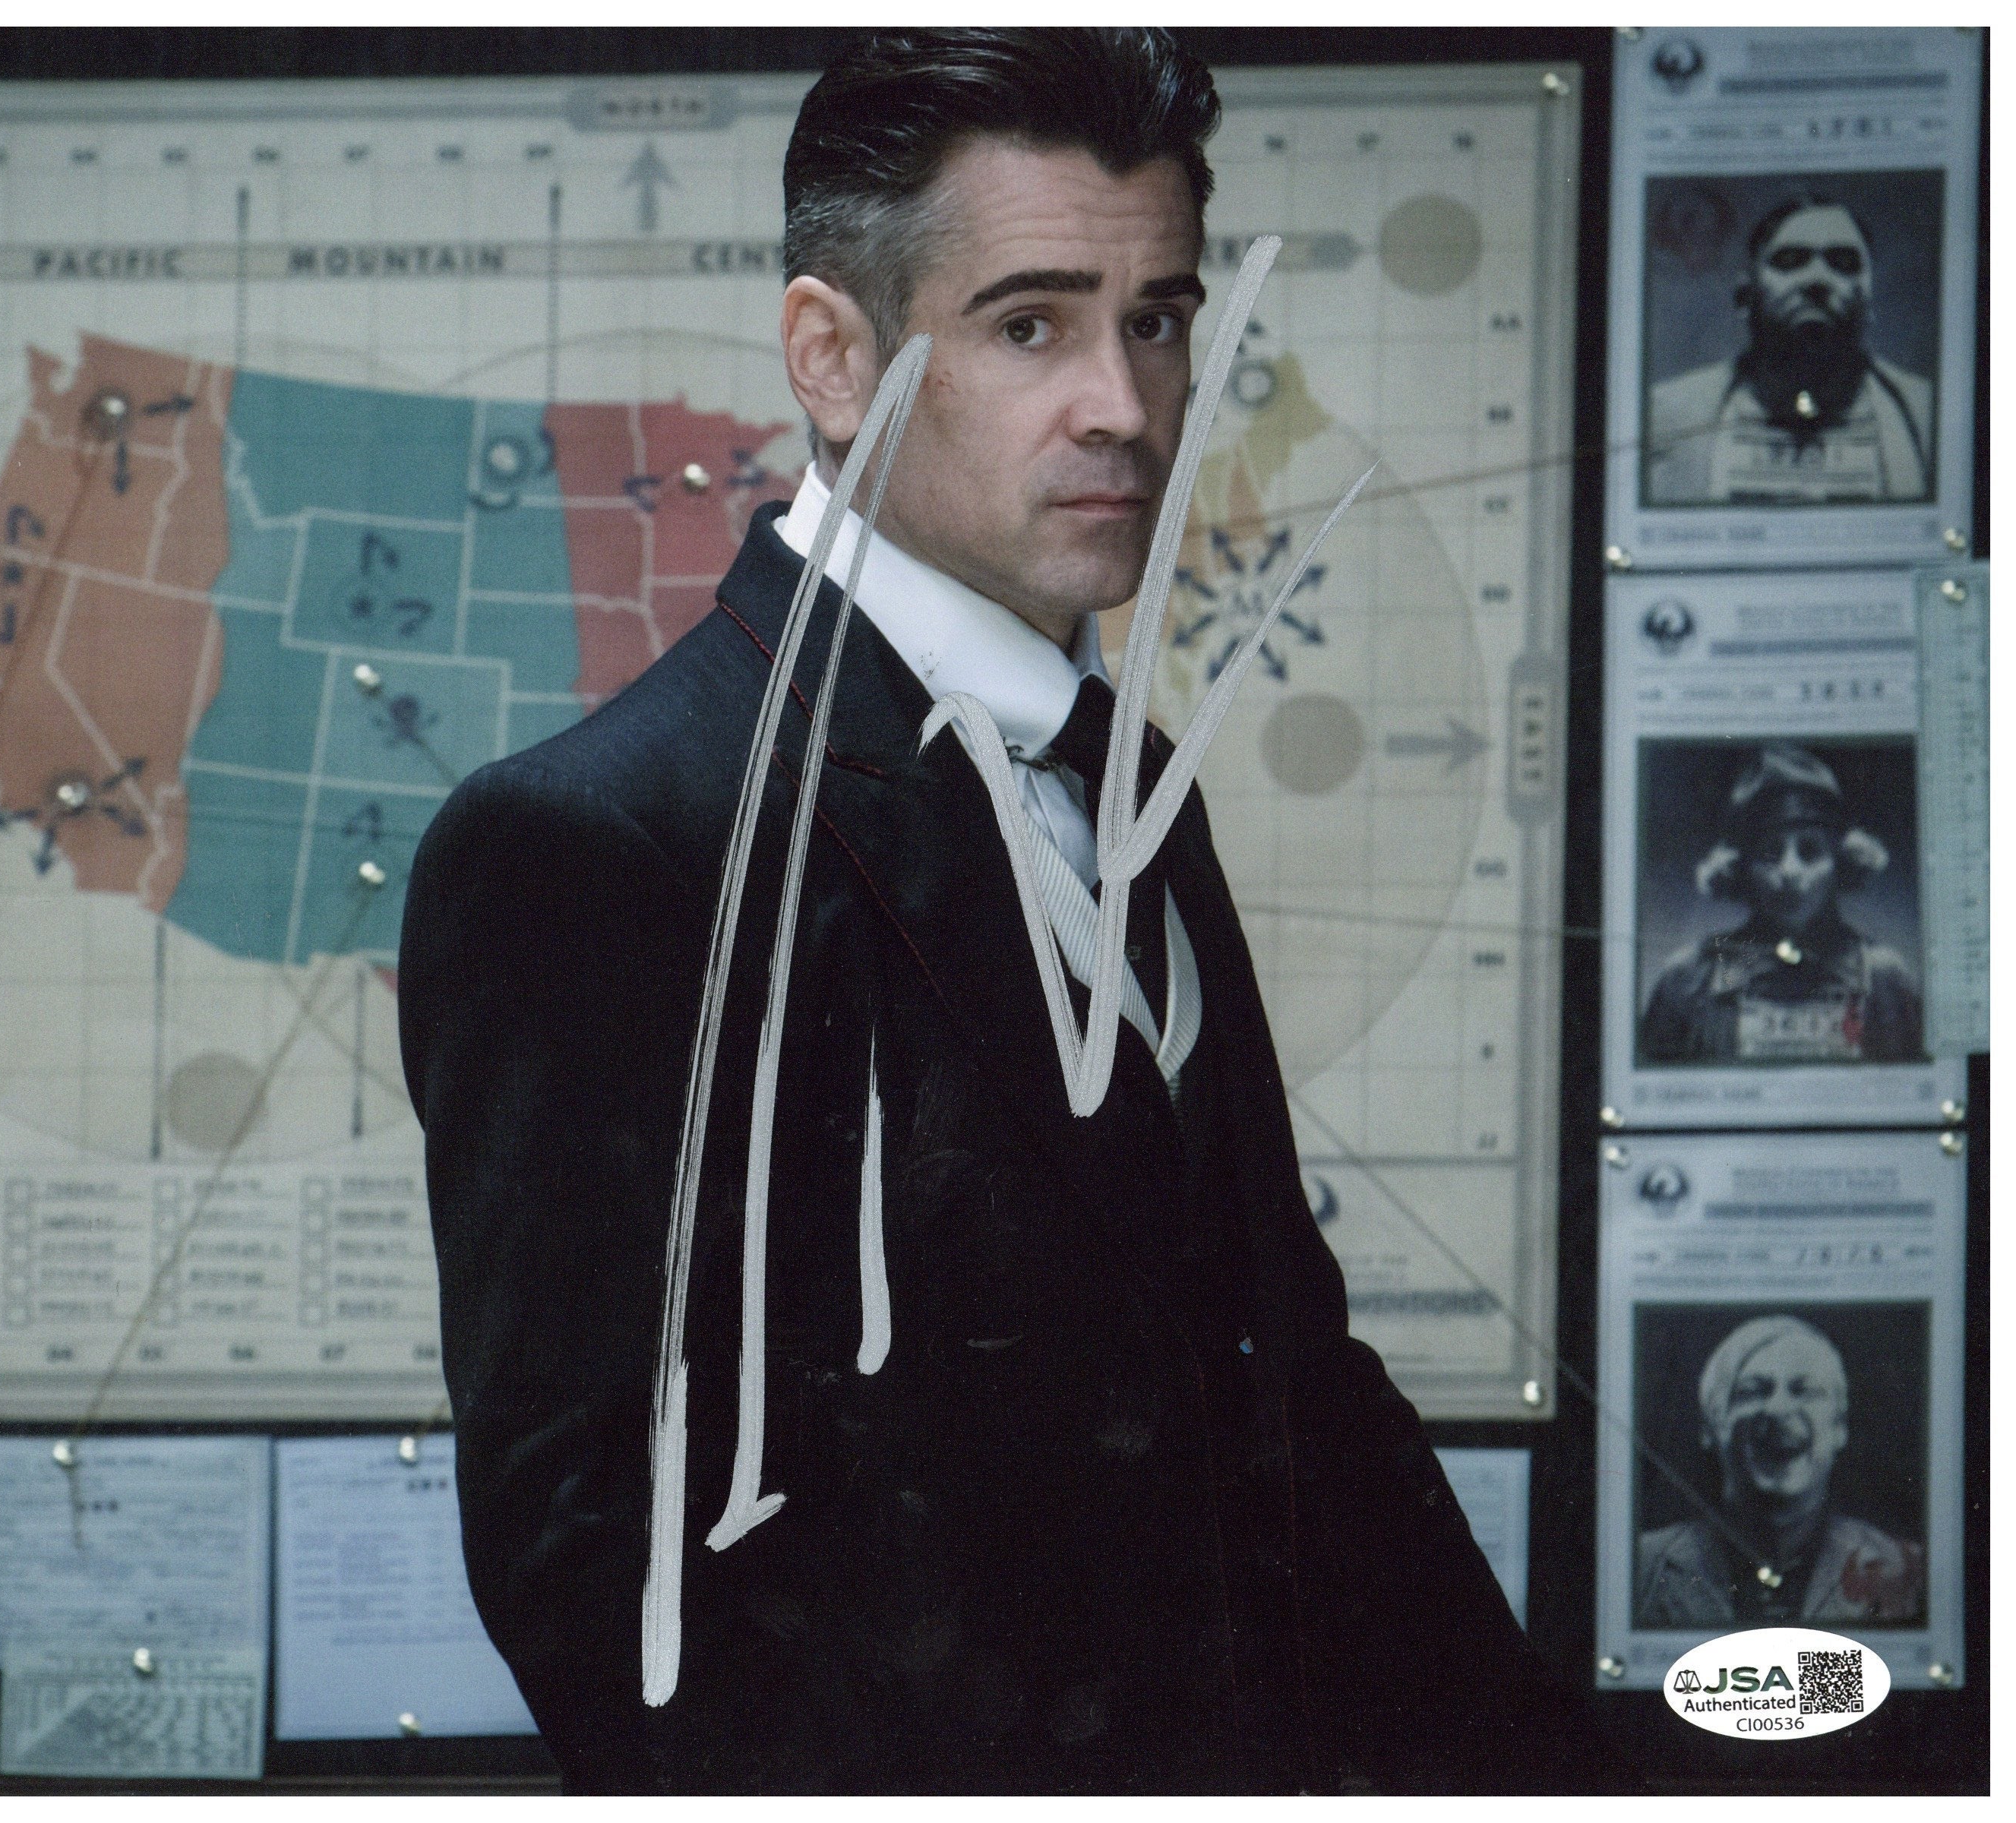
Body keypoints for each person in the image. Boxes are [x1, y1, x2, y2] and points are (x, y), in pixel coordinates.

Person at [400, 30, 1609, 1793]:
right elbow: (612, 1597)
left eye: (1158, 321)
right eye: (1030, 326)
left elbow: (1287, 1384)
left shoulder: (1121, 772)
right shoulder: (600, 843)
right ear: (833, 357)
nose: (1122, 403)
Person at [1638, 743, 1923, 1065]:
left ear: (1842, 864)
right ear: (1741, 870)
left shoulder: (1885, 978)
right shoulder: (1689, 978)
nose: (1789, 871)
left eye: (1810, 851)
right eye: (1770, 853)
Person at [1635, 1315, 1924, 1628]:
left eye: (1804, 1390)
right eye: (1752, 1391)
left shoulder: (1907, 1569)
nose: (1778, 1409)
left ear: (1839, 1428)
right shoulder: (1640, 1565)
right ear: (1710, 1427)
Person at [1646, 194, 1935, 504]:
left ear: (1869, 297)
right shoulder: (1665, 417)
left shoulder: (1927, 415)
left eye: (1843, 263)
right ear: (1745, 296)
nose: (1817, 280)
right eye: (1790, 261)